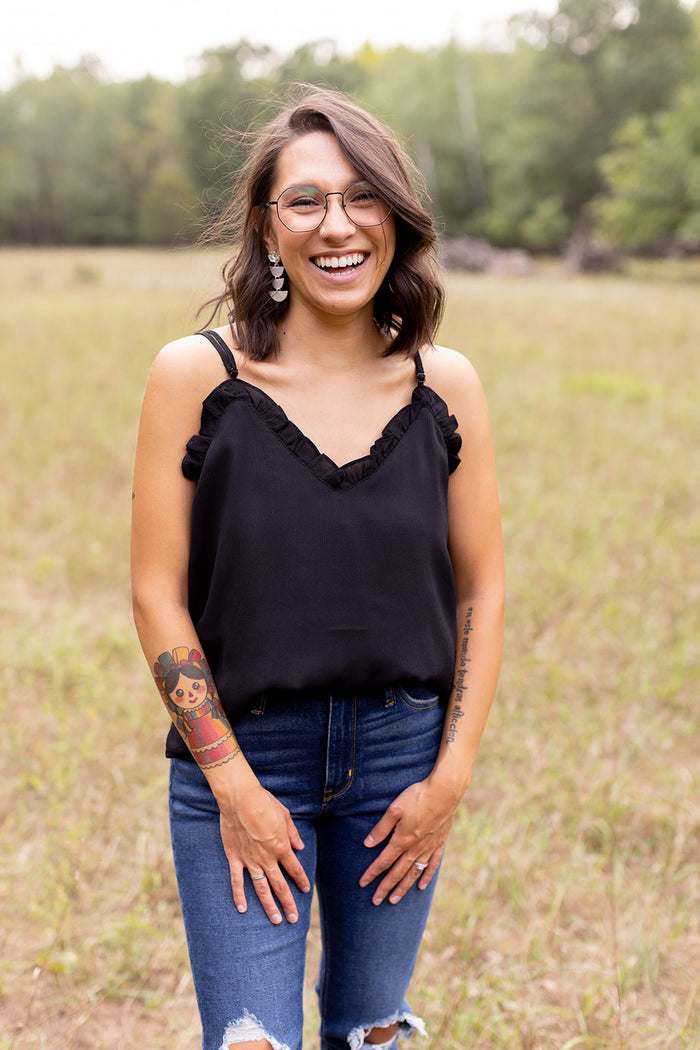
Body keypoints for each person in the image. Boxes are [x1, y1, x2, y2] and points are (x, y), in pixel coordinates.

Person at [131, 85, 504, 1050]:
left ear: (396, 217)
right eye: (306, 201)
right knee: (252, 1038)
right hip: (244, 762)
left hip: (401, 764)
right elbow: (156, 592)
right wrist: (235, 787)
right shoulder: (196, 375)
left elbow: (483, 587)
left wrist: (449, 778)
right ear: (266, 227)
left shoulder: (442, 383)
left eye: (363, 196)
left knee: (372, 1032)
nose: (337, 225)